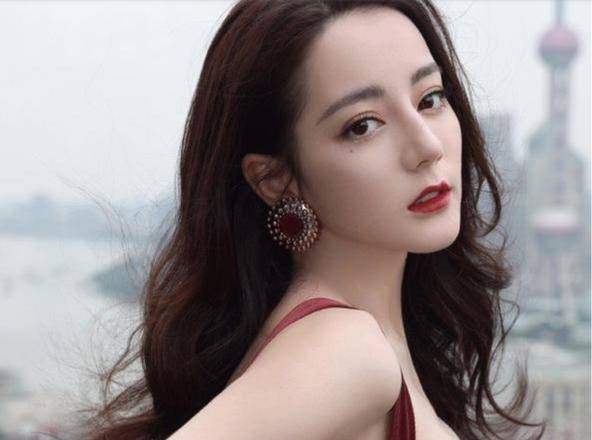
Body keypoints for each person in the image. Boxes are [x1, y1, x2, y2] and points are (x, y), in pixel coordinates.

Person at [84, 1, 547, 439]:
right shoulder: (345, 351)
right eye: (363, 125)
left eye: (430, 99)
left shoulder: (351, 343)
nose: (427, 146)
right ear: (275, 180)